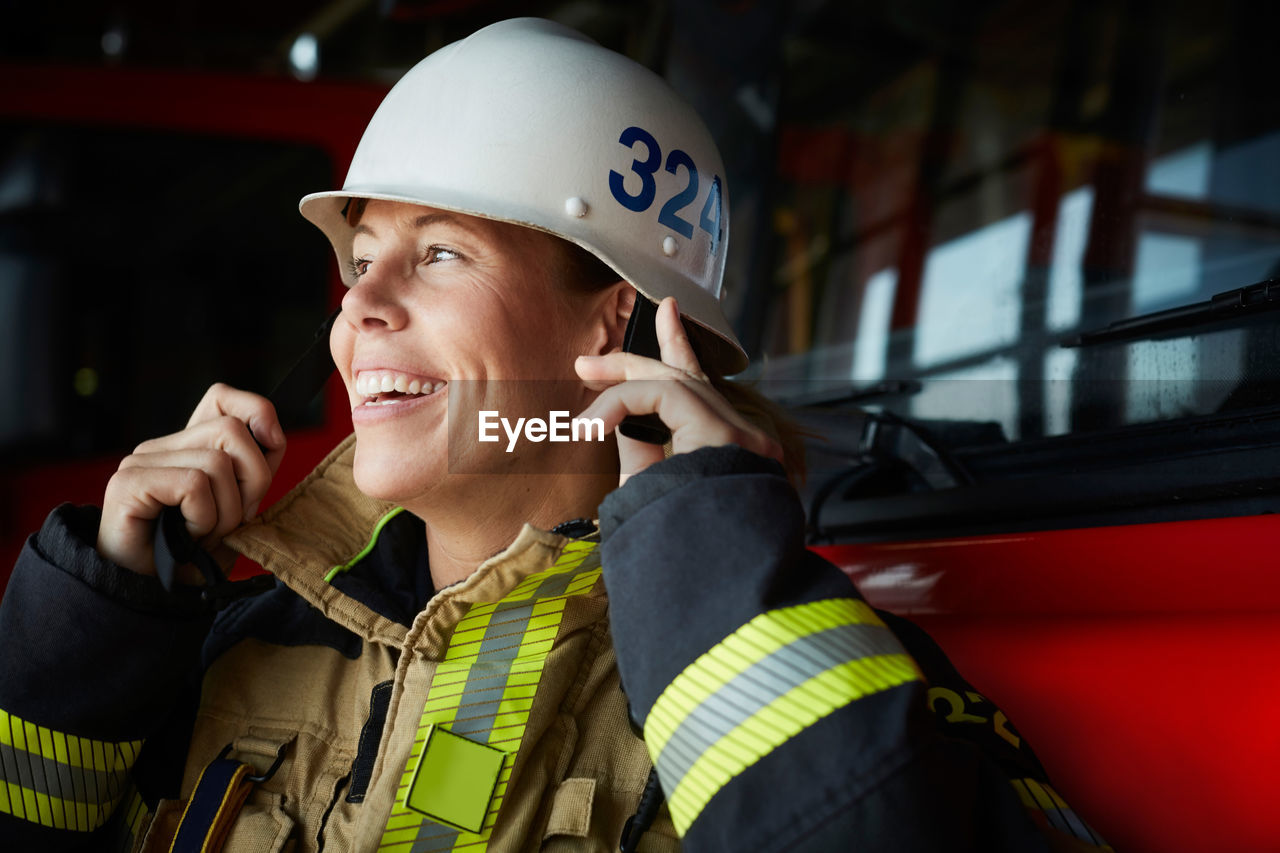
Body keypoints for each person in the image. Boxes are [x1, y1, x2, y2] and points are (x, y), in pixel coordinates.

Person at [0, 17, 1110, 853]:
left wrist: (709, 580)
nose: (358, 304)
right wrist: (90, 631)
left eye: (437, 253)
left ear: (612, 317)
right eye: (360, 256)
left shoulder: (790, 663)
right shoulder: (231, 638)